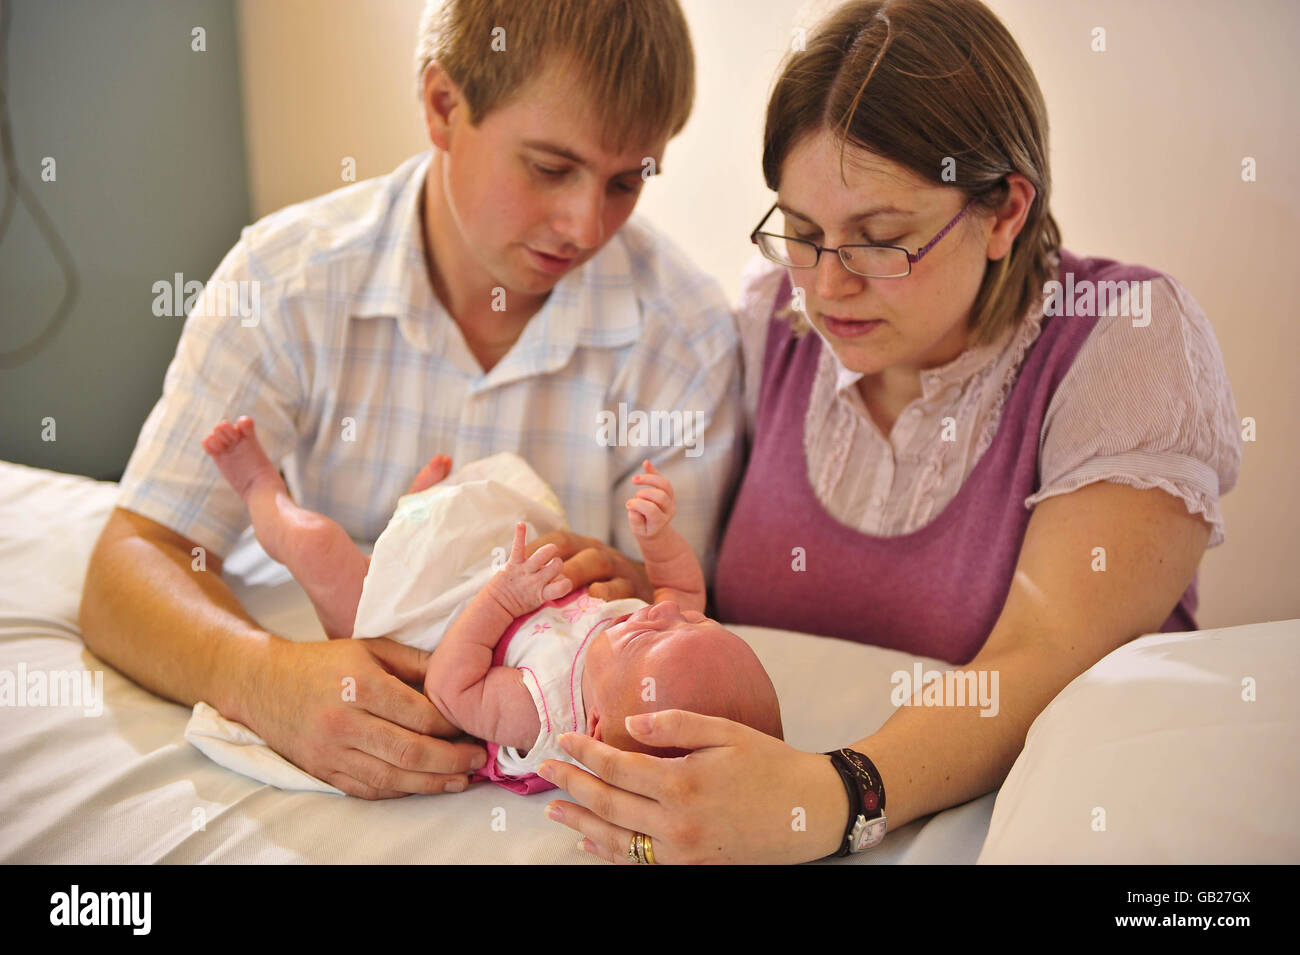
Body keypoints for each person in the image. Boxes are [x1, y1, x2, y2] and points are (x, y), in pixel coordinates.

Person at [536, 0, 1242, 863]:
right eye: (802, 233)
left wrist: (832, 796)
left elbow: (1037, 659)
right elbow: (719, 619)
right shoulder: (771, 329)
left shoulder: (1122, 338)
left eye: (880, 239)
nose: (828, 287)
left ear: (1004, 212)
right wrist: (643, 603)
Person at [78, 0, 743, 800]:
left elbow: (688, 613)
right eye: (550, 167)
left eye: (627, 180)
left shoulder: (685, 333)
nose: (584, 224)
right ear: (442, 106)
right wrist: (259, 676)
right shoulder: (283, 283)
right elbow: (135, 558)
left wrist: (629, 582)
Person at [199, 415, 781, 795]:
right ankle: (415, 517)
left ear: (596, 728)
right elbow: (680, 590)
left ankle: (259, 489)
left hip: (407, 634)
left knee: (320, 548)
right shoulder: (648, 648)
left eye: (651, 636)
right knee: (465, 516)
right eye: (692, 624)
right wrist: (657, 541)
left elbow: (453, 686)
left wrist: (503, 597)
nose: (658, 612)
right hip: (482, 583)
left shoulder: (545, 711)